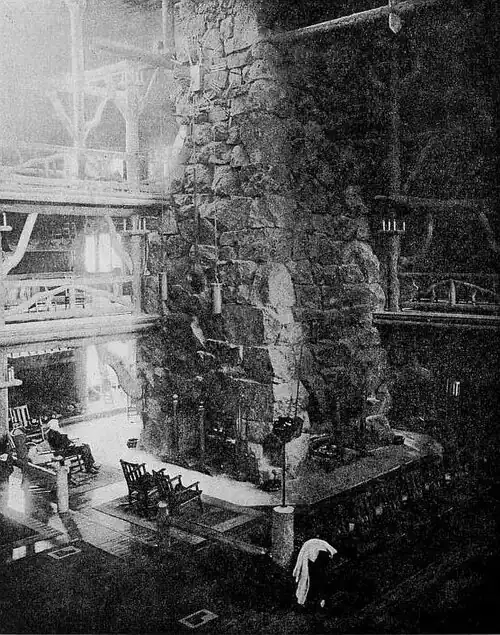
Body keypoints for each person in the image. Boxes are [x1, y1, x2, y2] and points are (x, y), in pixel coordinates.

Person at [293, 538, 337, 611]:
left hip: (317, 553)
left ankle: (320, 600)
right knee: (314, 579)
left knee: (318, 579)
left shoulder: (322, 552)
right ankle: (317, 601)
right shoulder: (311, 553)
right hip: (313, 554)